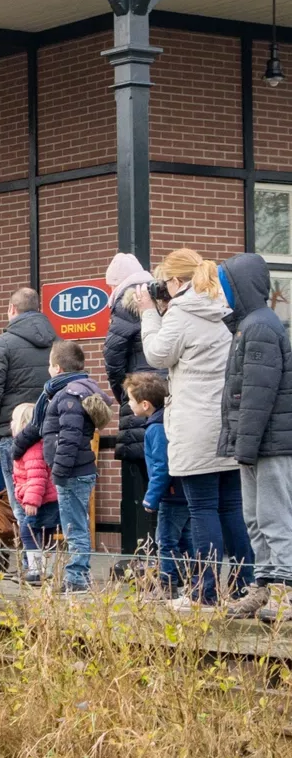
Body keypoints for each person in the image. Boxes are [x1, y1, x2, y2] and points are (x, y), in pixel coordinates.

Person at [139, 247, 253, 609]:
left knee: (202, 508)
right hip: (228, 424)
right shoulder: (224, 307)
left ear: (175, 281)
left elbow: (157, 355)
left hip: (195, 425)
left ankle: (204, 594)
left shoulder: (182, 311)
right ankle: (242, 589)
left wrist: (148, 313)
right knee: (232, 508)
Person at [218, 253, 292, 623]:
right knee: (255, 518)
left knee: (274, 516)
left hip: (270, 443)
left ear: (240, 287)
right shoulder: (249, 325)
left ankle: (286, 590)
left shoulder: (260, 327)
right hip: (257, 443)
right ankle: (262, 586)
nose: (222, 292)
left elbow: (257, 395)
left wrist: (243, 445)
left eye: (225, 285)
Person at [0, 287, 57, 549]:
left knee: (22, 500)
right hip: (51, 432)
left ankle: (30, 563)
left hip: (13, 433)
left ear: (12, 309)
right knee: (46, 497)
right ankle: (45, 562)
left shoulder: (3, 343)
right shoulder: (56, 341)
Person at [38, 340, 111, 596]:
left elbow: (68, 438)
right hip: (79, 471)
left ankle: (77, 578)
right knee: (76, 524)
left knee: (74, 528)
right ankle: (77, 575)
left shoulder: (68, 395)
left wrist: (58, 470)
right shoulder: (79, 390)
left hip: (72, 473)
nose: (48, 369)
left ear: (57, 368)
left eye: (49, 364)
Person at [104, 254, 161, 557]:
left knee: (147, 486)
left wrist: (126, 396)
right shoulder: (160, 299)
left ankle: (148, 556)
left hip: (140, 402)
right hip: (166, 401)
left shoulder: (124, 308)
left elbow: (113, 361)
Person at [131, 373, 191, 598]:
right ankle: (190, 581)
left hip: (170, 495)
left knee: (165, 540)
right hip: (184, 492)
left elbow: (161, 465)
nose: (128, 405)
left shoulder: (155, 428)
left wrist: (151, 497)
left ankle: (167, 586)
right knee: (185, 540)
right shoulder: (167, 420)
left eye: (130, 400)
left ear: (145, 404)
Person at [9, 402, 59, 586]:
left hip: (41, 501)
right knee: (47, 533)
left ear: (23, 424)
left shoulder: (32, 449)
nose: (10, 424)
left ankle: (37, 570)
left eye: (13, 420)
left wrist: (31, 501)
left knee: (27, 531)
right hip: (48, 499)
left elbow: (37, 477)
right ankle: (47, 570)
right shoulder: (35, 446)